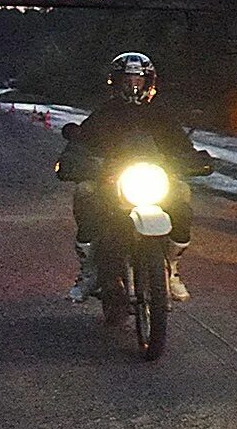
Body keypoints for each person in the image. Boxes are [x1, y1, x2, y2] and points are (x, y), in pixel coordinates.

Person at [61, 52, 200, 304]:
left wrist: (196, 160)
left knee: (182, 193)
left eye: (138, 80)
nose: (133, 86)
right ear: (115, 82)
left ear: (149, 83)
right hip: (111, 180)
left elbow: (181, 145)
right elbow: (82, 142)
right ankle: (89, 271)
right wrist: (74, 159)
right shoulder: (104, 114)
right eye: (127, 80)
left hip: (154, 179)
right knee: (85, 191)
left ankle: (171, 268)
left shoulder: (160, 115)